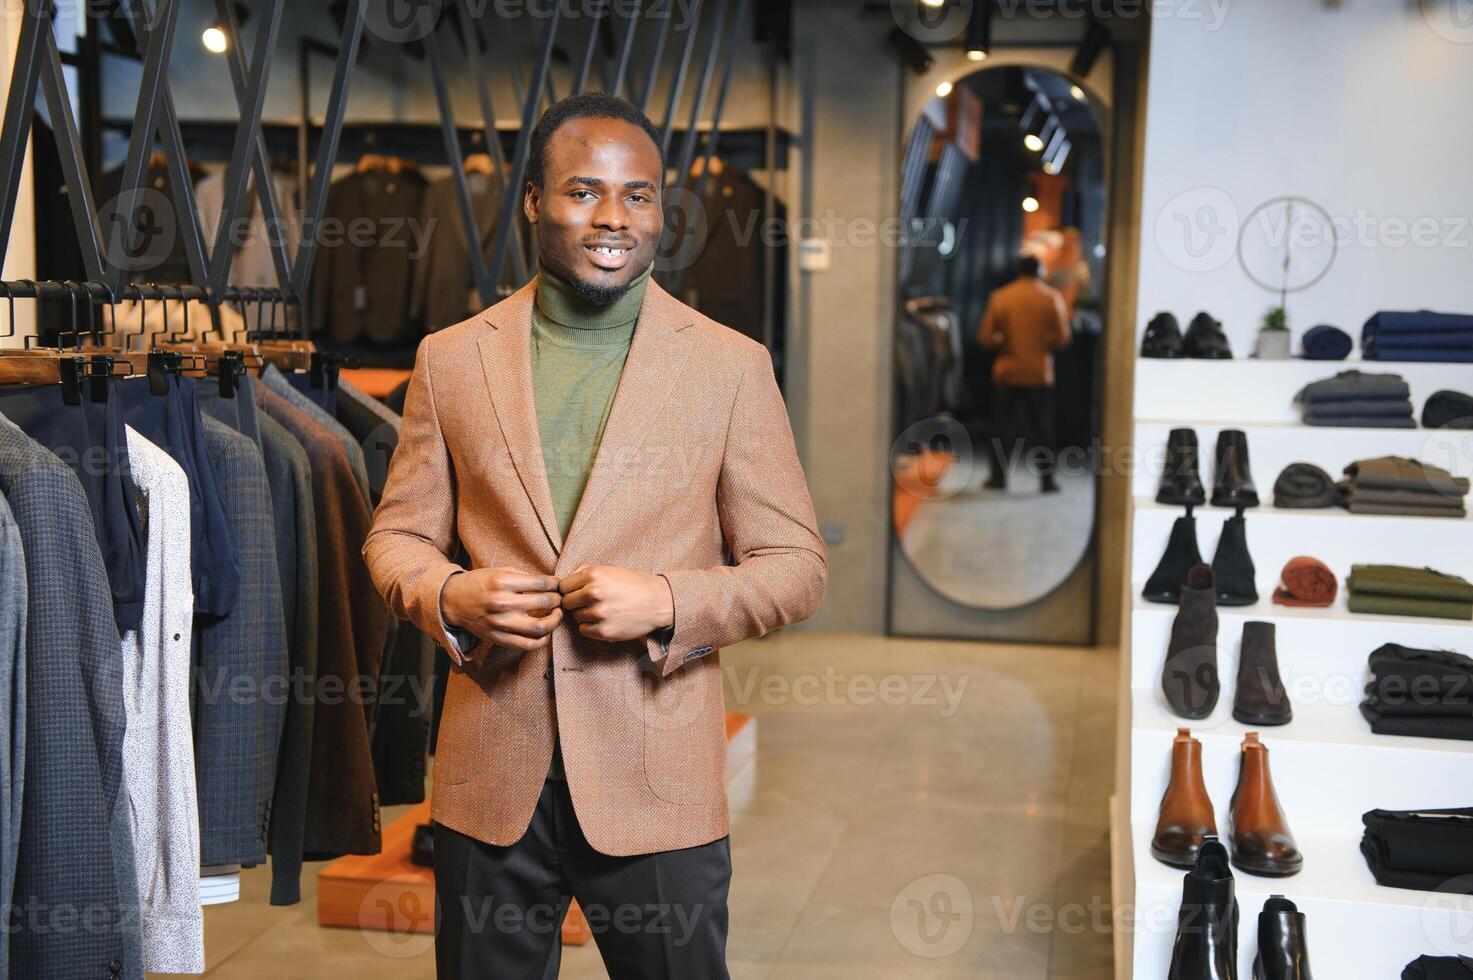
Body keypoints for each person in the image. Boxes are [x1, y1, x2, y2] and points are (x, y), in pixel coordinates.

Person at [362, 92, 828, 979]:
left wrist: (667, 600)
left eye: (638, 196)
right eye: (584, 192)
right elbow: (396, 538)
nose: (614, 218)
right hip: (490, 779)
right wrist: (448, 594)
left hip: (657, 783)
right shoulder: (451, 357)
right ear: (534, 202)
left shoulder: (729, 366)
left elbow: (796, 568)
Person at [978, 254, 1071, 493]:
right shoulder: (1051, 298)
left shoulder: (1001, 297)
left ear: (1019, 271)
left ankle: (998, 479)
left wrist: (1005, 341)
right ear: (1040, 272)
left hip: (1007, 371)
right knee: (1043, 429)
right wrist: (1042, 341)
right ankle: (1047, 480)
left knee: (1001, 428)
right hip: (1039, 372)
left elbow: (986, 338)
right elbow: (1062, 338)